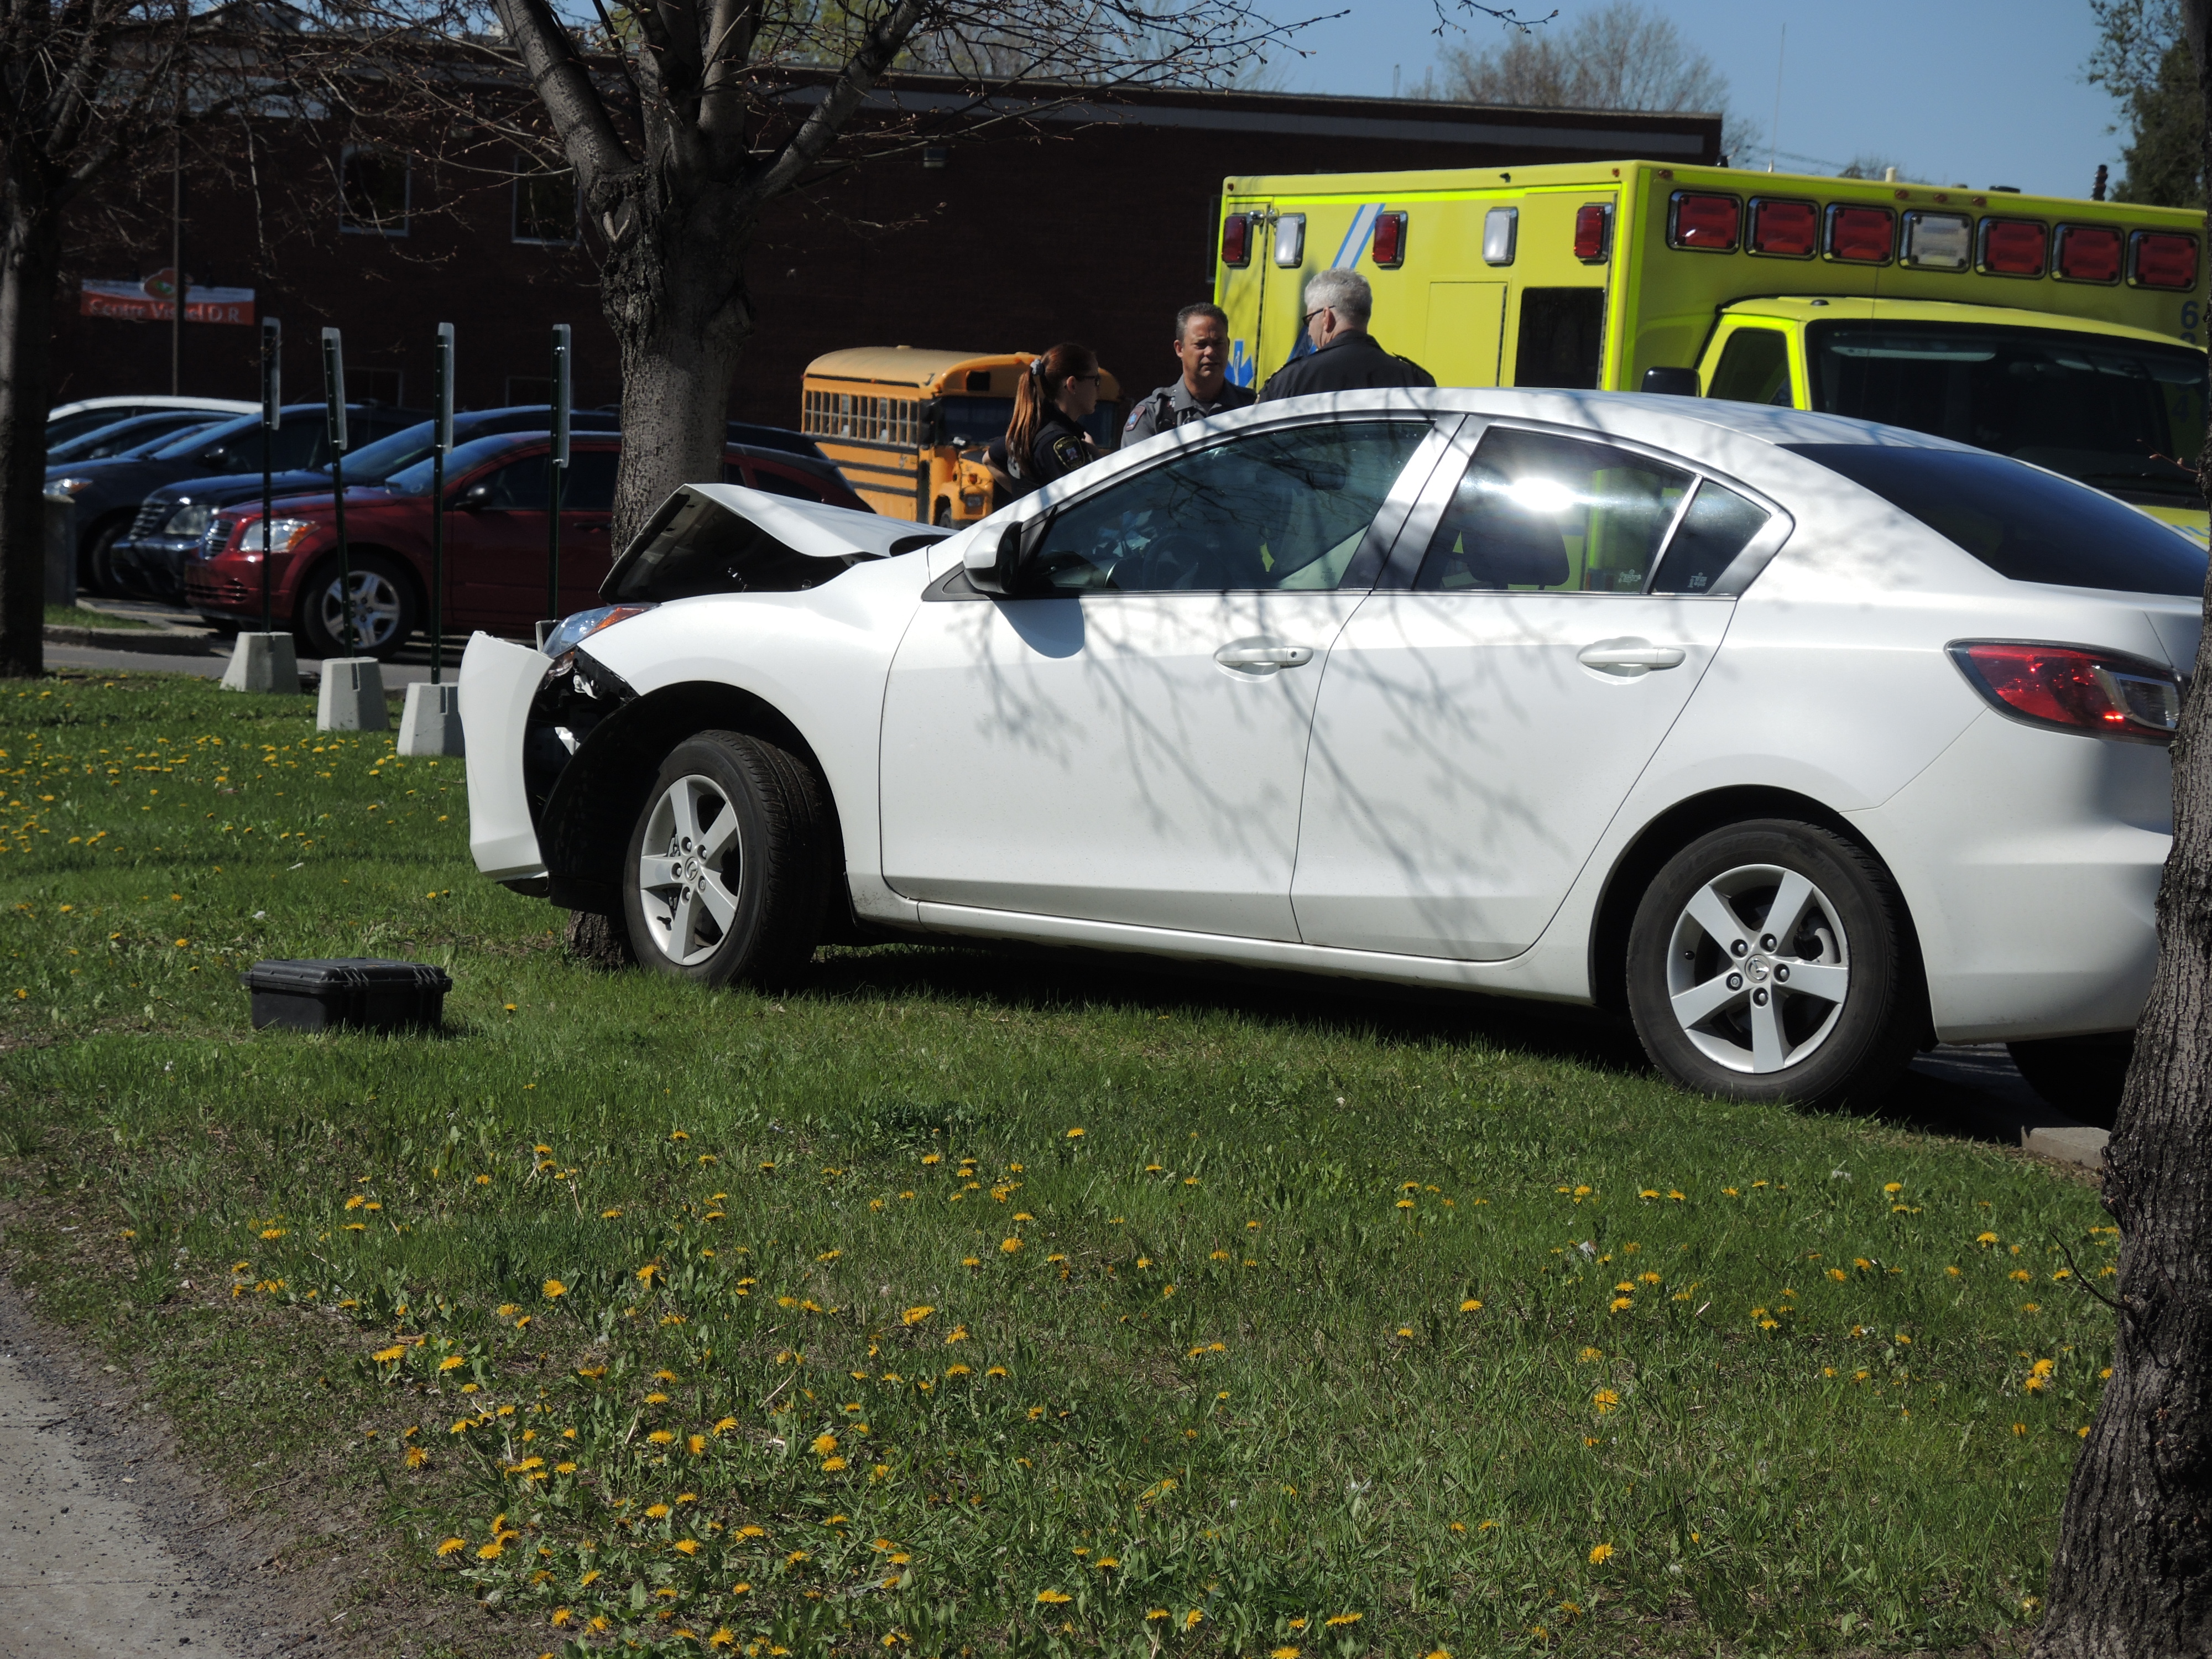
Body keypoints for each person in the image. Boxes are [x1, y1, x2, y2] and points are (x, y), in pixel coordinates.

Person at [1257, 268, 1436, 401]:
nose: (1309, 332)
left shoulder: (1291, 381)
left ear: (1326, 317)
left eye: (1310, 319)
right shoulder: (1415, 380)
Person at [1124, 302, 1256, 442]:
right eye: (1201, 344)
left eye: (1218, 343)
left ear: (1228, 345)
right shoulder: (1153, 416)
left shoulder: (1253, 409)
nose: (1210, 351)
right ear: (1180, 349)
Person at [986, 342, 1103, 500]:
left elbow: (989, 459)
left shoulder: (1034, 428)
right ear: (1072, 385)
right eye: (1096, 380)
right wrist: (1097, 457)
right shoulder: (1059, 442)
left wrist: (1027, 503)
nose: (1099, 388)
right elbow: (1088, 503)